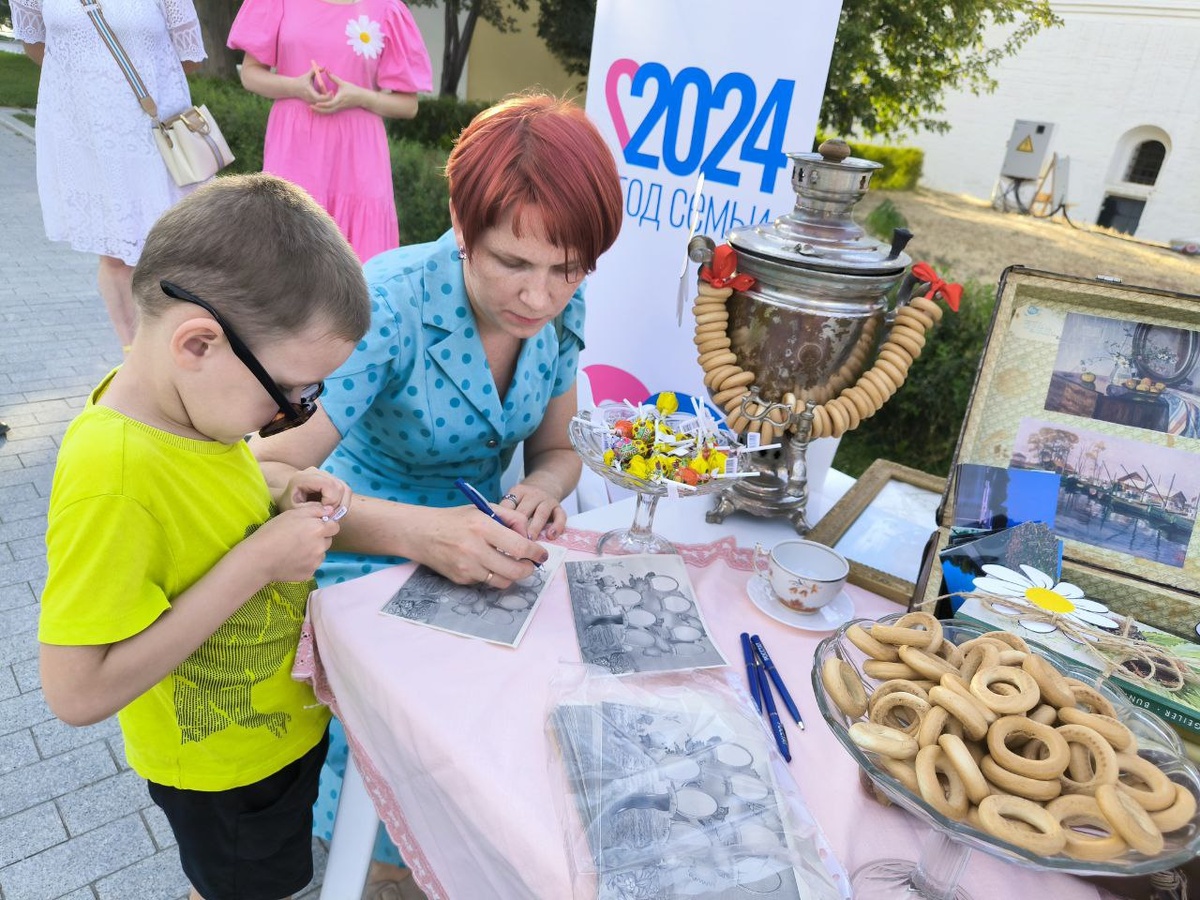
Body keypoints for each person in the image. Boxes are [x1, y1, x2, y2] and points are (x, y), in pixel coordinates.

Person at [251, 92, 623, 896]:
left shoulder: (563, 308)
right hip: (356, 543)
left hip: (482, 547)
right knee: (408, 756)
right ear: (463, 225)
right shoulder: (388, 303)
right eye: (513, 264)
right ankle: (384, 871)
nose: (540, 297)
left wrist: (540, 488)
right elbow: (268, 478)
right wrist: (420, 534)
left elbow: (558, 449)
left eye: (568, 268)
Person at [38, 174, 371, 900]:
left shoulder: (188, 408)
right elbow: (75, 690)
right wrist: (257, 564)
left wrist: (280, 486)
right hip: (223, 772)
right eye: (289, 395)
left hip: (269, 736)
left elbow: (204, 501)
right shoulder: (112, 474)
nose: (292, 417)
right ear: (198, 342)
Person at [14, 0, 208, 348]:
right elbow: (35, 42)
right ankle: (135, 356)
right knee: (115, 254)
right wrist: (90, 82)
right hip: (87, 133)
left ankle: (184, 347)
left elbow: (191, 57)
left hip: (155, 135)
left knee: (170, 246)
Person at [228, 0, 433, 262]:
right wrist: (295, 87)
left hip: (359, 156)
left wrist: (360, 96)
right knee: (287, 247)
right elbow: (250, 74)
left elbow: (408, 105)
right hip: (296, 148)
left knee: (362, 261)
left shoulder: (387, 9)